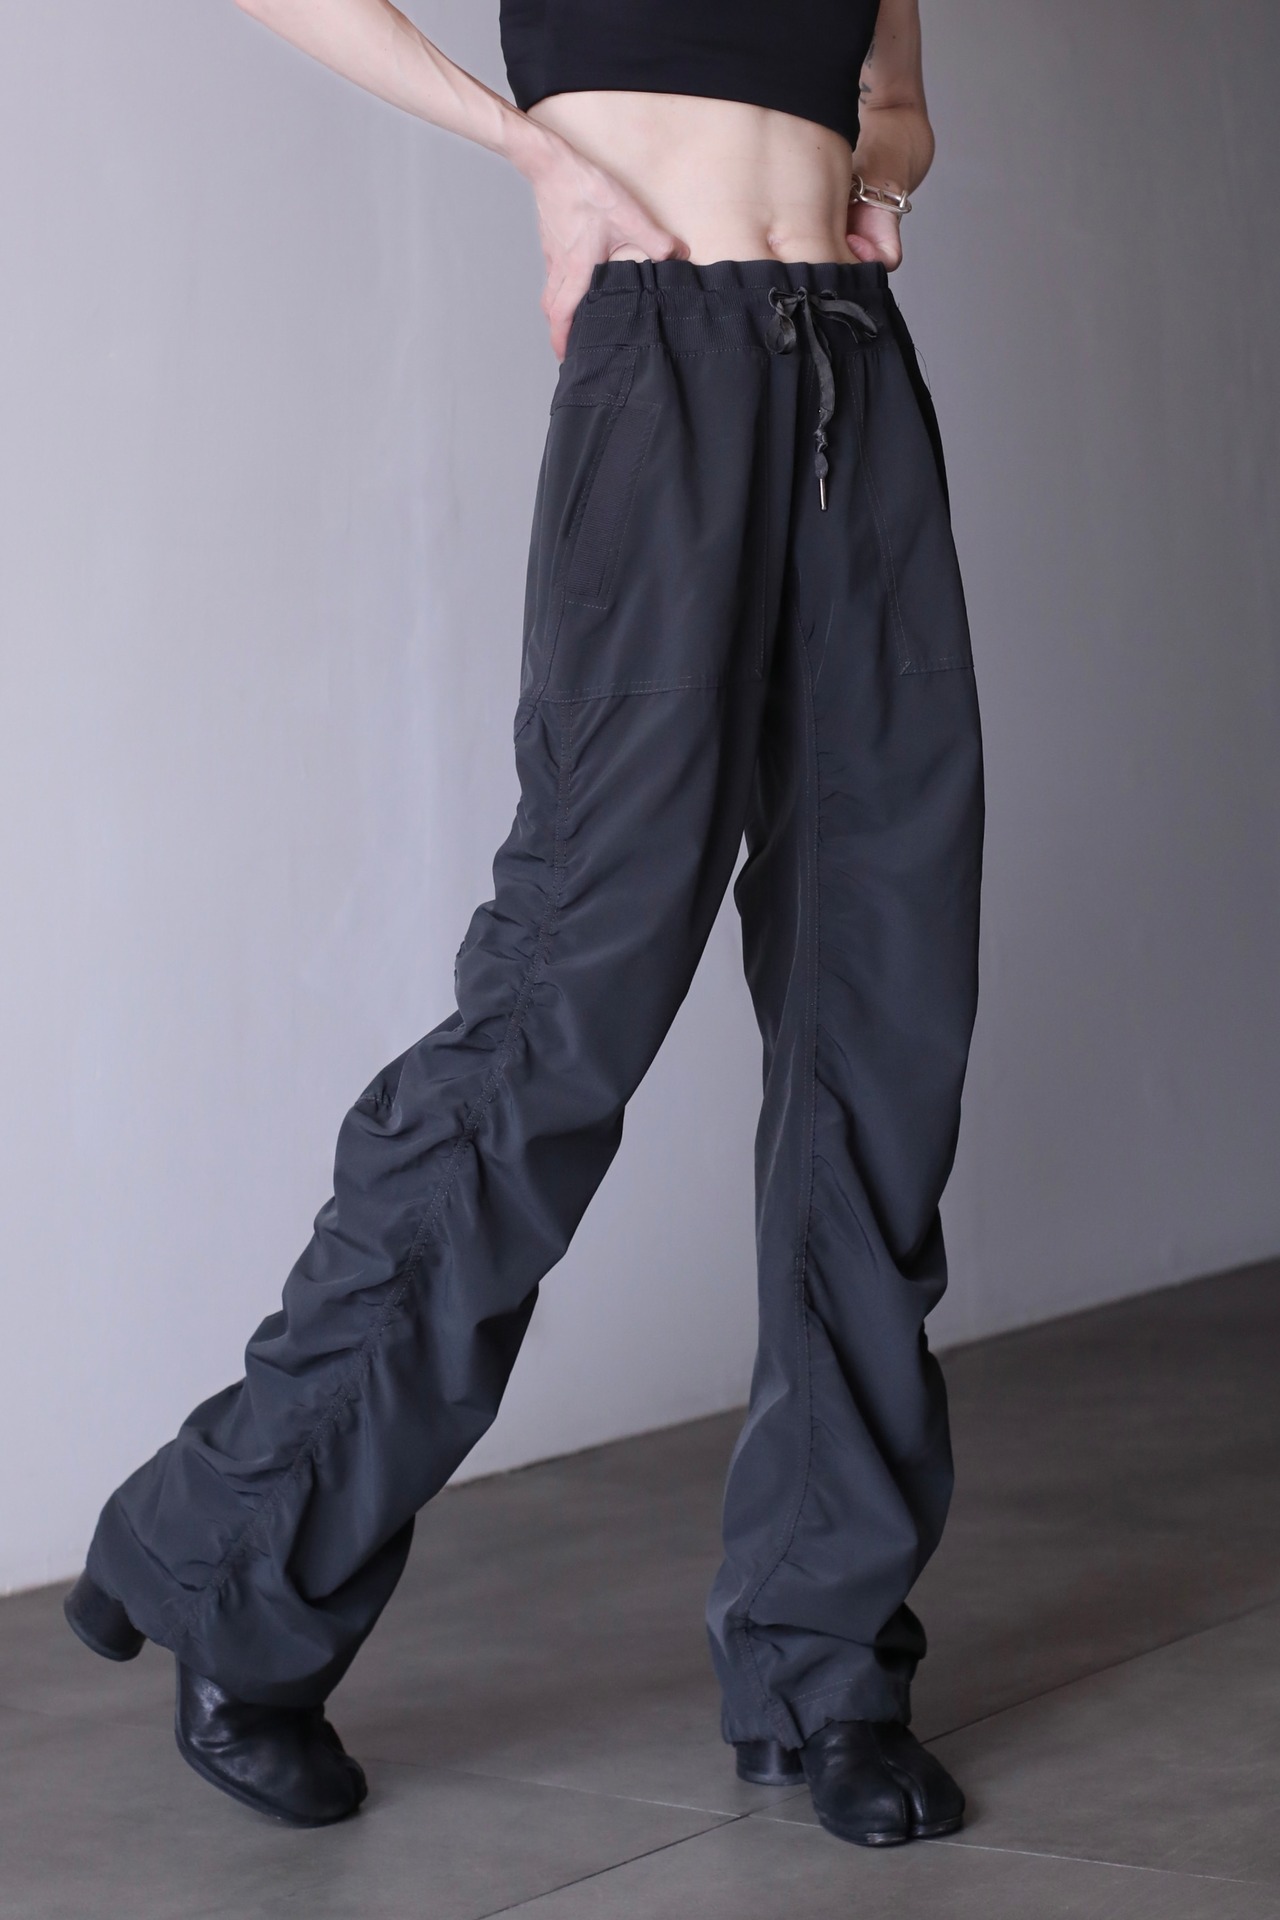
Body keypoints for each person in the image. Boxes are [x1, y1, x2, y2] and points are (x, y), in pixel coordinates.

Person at [65, 0, 984, 1851]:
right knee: (567, 1001)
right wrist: (524, 143)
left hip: (854, 376)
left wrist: (876, 175)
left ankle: (826, 1666)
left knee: (878, 1023)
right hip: (667, 365)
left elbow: (894, 94)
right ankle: (236, 1552)